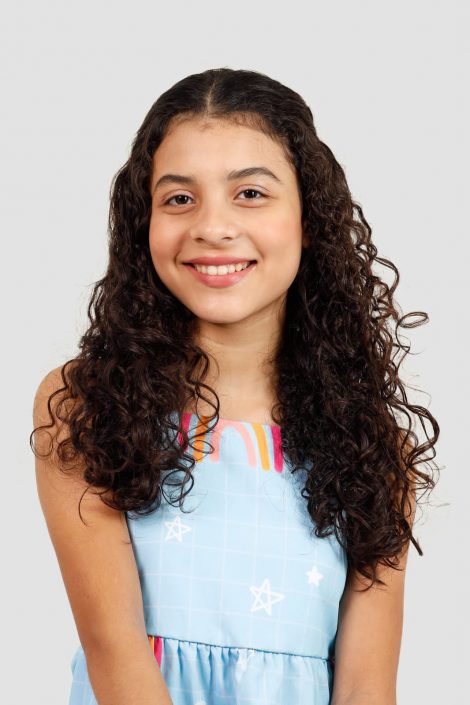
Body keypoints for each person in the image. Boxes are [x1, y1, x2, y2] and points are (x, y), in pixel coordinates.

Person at [31, 67, 440, 705]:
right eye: (179, 198)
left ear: (309, 217)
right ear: (144, 223)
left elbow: (367, 686)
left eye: (250, 193)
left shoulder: (372, 448)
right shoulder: (85, 405)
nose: (212, 227)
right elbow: (116, 654)